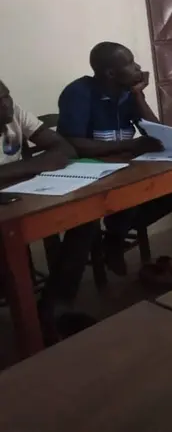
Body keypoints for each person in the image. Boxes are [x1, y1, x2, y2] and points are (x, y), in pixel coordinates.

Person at [57, 42, 172, 276]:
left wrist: (138, 95)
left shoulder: (127, 93)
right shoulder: (78, 93)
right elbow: (71, 144)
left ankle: (114, 235)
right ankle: (115, 235)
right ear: (110, 73)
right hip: (88, 171)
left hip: (123, 167)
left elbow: (158, 134)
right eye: (130, 63)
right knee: (128, 194)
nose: (138, 67)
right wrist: (129, 145)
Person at [0, 80, 100, 341]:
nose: (5, 105)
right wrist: (37, 164)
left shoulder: (15, 113)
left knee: (84, 217)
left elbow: (64, 149)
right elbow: (51, 157)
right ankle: (28, 328)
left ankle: (55, 306)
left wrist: (19, 169)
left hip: (23, 192)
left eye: (6, 96)